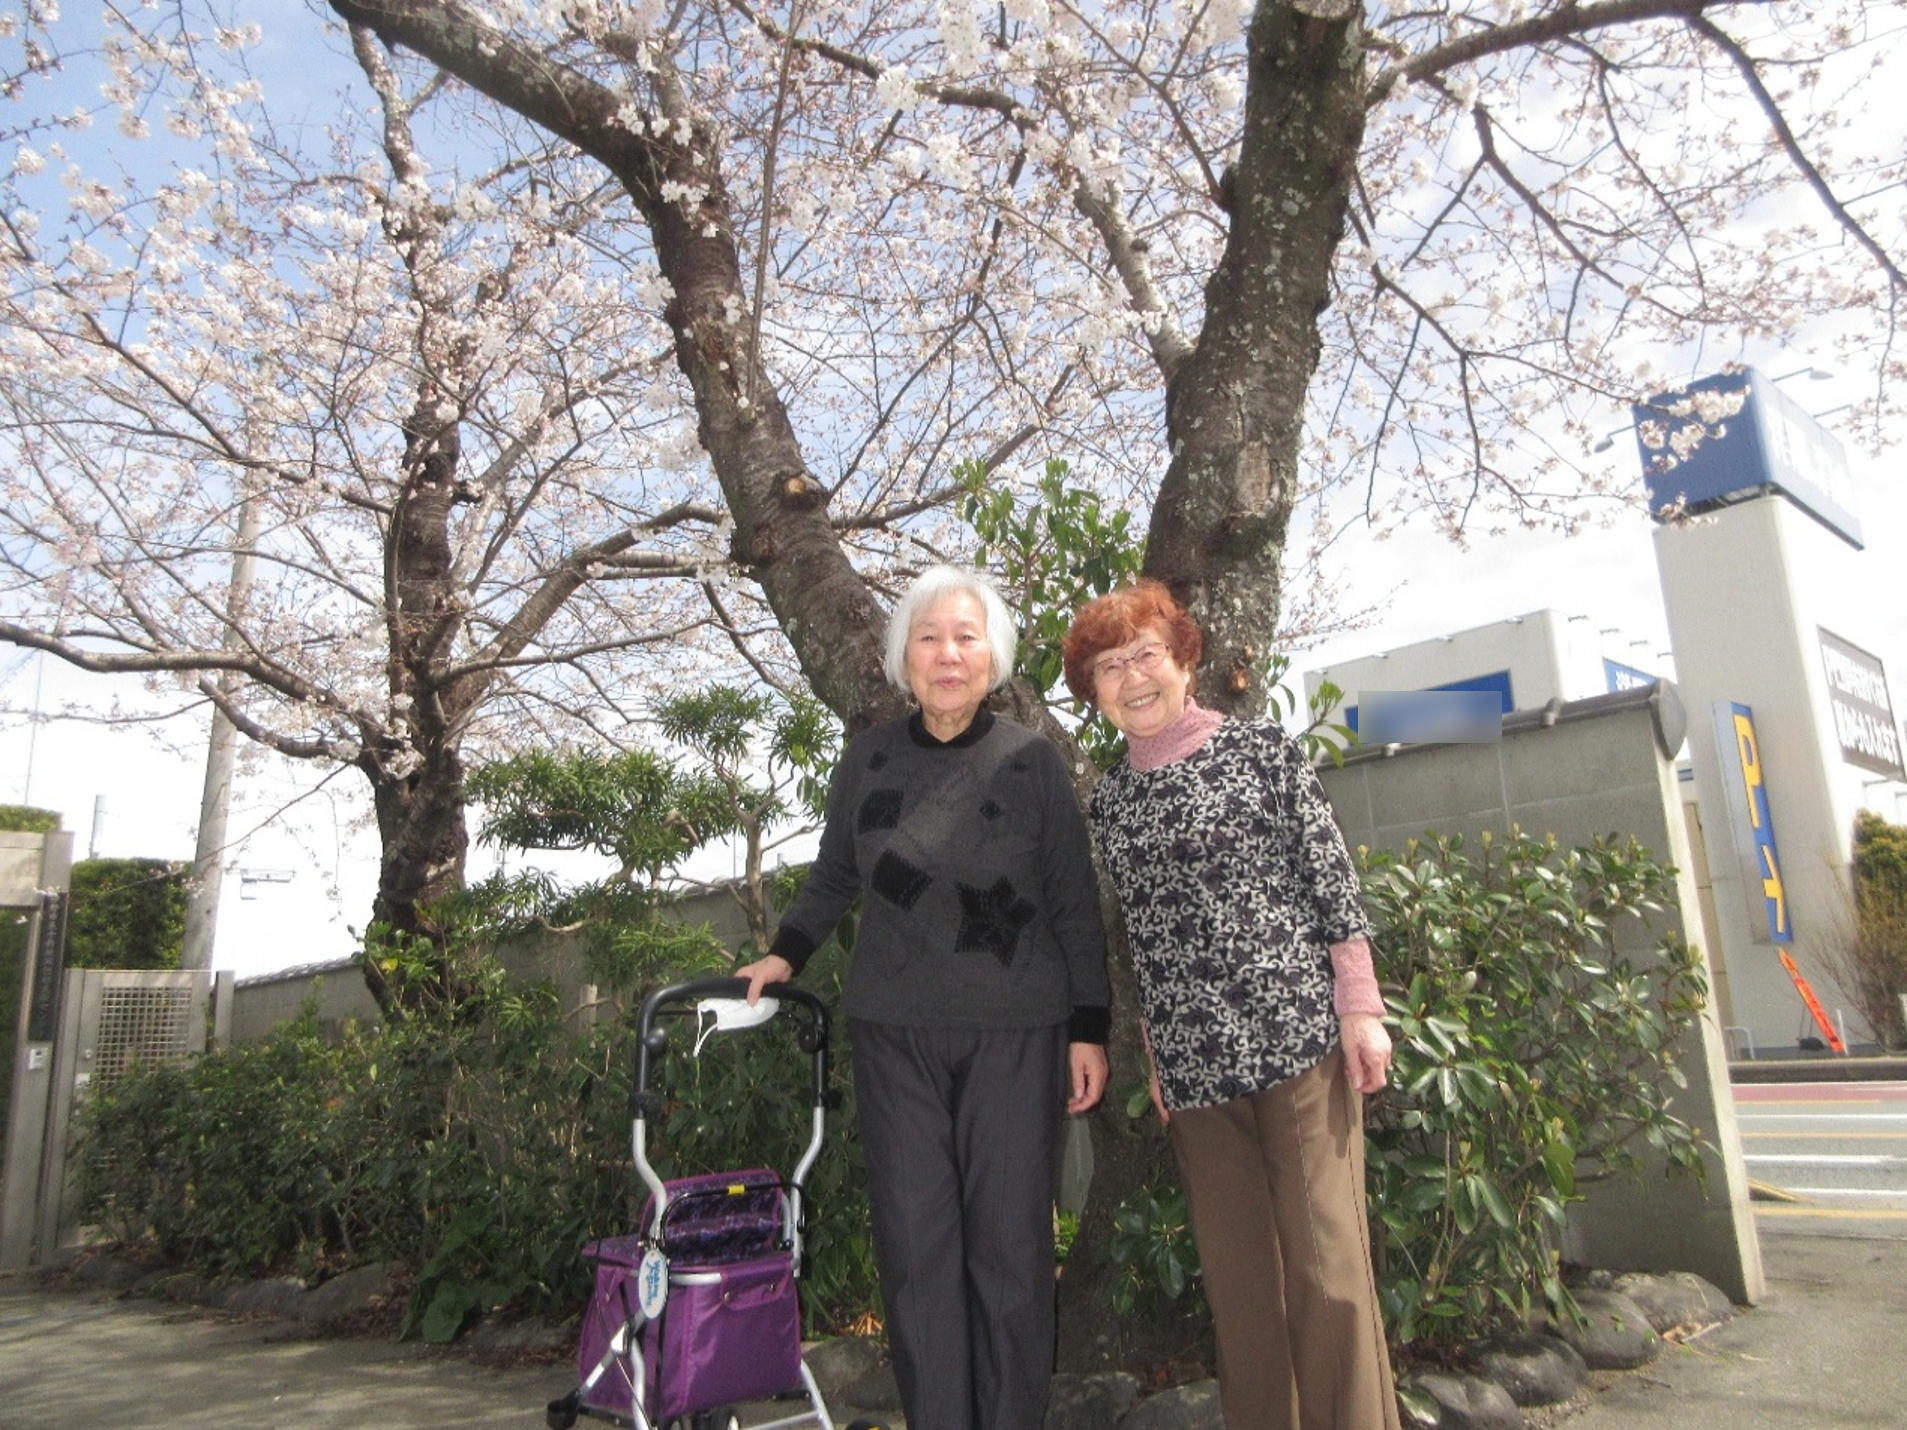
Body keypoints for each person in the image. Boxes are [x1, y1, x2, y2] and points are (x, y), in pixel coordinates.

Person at [737, 565, 1111, 1430]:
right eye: (929, 638)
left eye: (966, 638)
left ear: (994, 658)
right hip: (894, 1030)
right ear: (903, 657)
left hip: (1017, 1031)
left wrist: (1087, 1027)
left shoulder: (1029, 761)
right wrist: (785, 953)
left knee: (1012, 1248)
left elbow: (1071, 899)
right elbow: (835, 873)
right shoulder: (869, 756)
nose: (948, 655)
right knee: (914, 1247)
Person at [1061, 579, 1401, 1430]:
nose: (1133, 677)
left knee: (1327, 1275)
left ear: (1183, 660)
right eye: (1109, 667)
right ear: (1093, 693)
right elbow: (1145, 940)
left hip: (1298, 1044)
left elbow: (1329, 879)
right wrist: (1159, 1056)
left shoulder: (1260, 751)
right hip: (1197, 1075)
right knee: (1243, 1292)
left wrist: (1360, 1006)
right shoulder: (1111, 802)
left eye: (1145, 654)